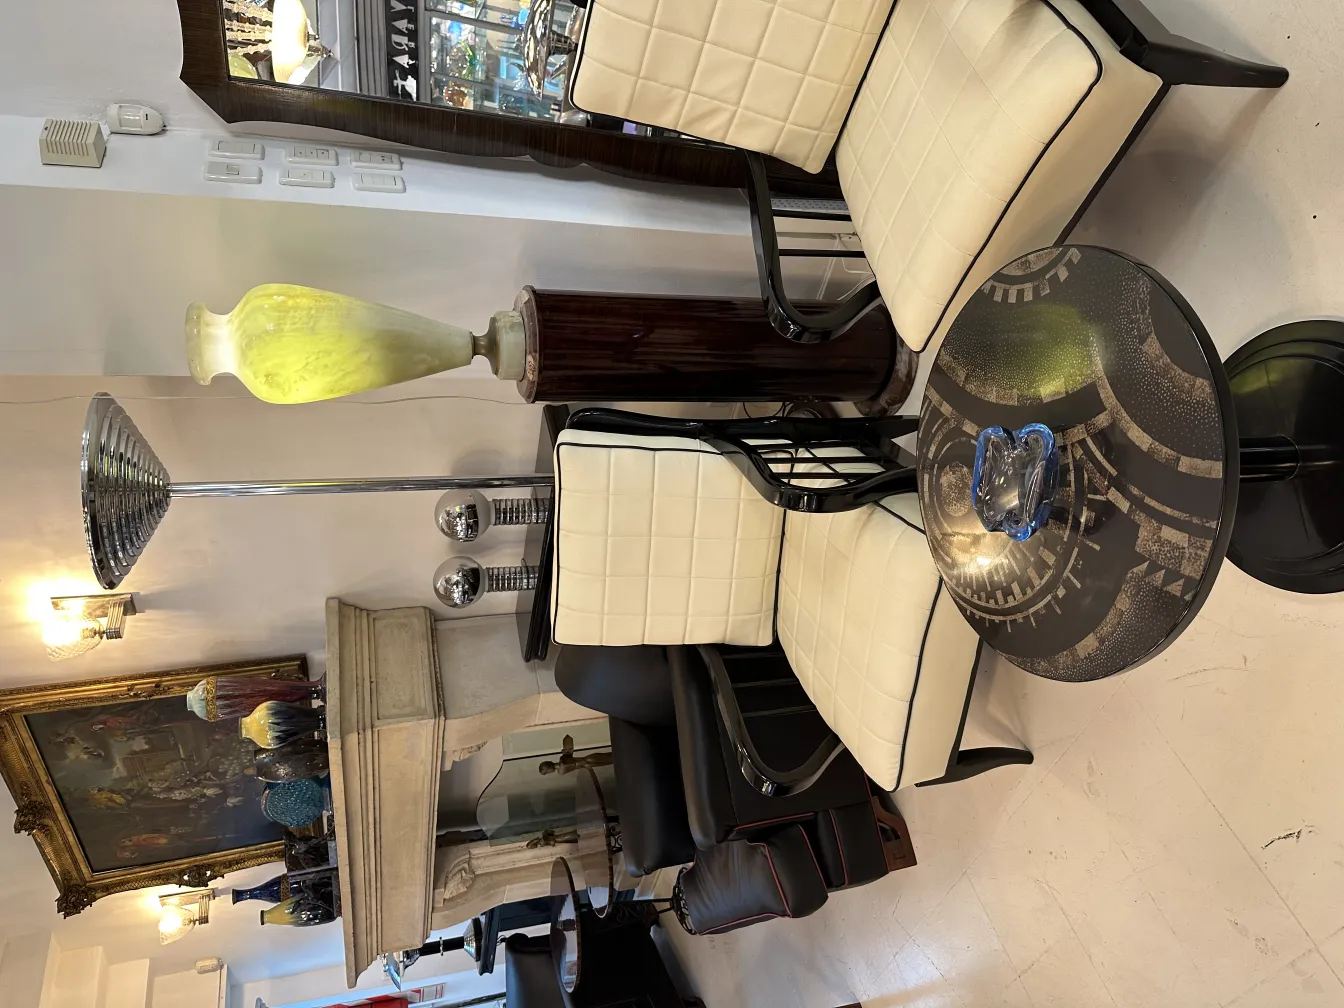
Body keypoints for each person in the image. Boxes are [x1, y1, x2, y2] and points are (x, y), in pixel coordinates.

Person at [536, 735, 612, 776]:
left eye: (548, 772)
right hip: (589, 760)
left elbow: (569, 760)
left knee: (611, 759)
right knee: (611, 759)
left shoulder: (561, 770)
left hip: (589, 762)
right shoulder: (562, 760)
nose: (549, 773)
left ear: (549, 769)